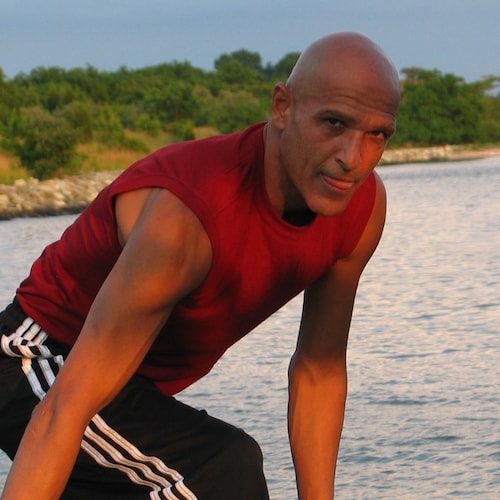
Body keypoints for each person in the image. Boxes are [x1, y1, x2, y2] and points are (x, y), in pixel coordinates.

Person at [0, 31, 400, 499]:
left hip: (128, 388)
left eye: (377, 135)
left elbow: (319, 370)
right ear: (282, 107)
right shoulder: (188, 220)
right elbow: (62, 410)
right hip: (35, 361)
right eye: (333, 123)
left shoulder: (359, 208)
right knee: (220, 469)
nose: (352, 158)